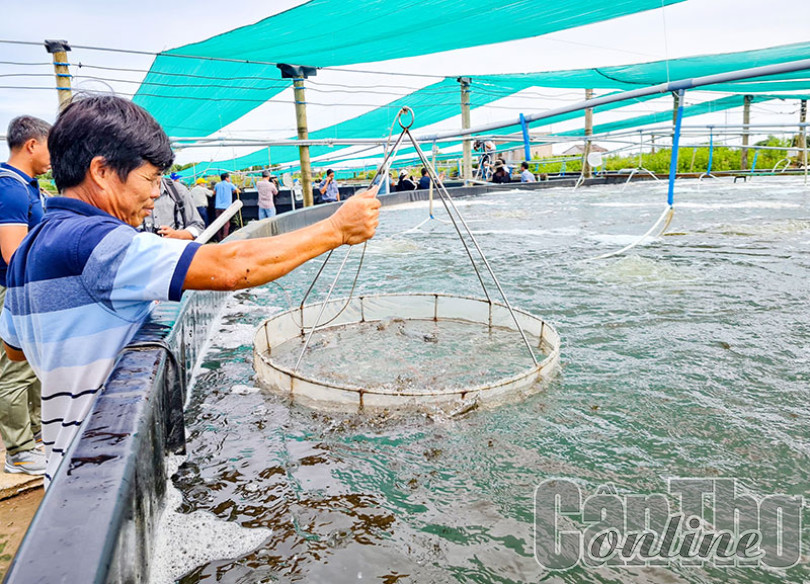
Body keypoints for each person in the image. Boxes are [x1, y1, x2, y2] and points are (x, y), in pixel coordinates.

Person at [0, 95, 381, 484]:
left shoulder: (29, 248)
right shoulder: (94, 241)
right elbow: (230, 268)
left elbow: (14, 350)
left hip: (66, 462)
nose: (155, 192)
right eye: (149, 178)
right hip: (105, 472)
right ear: (101, 171)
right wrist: (336, 230)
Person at [0, 116, 50, 475]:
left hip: (26, 286)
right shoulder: (11, 188)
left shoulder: (29, 186)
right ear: (31, 144)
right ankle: (18, 450)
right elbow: (12, 252)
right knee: (14, 369)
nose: (54, 156)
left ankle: (34, 434)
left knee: (31, 364)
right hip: (12, 287)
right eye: (50, 146)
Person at [214, 173, 239, 240]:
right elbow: (238, 191)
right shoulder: (230, 184)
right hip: (226, 207)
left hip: (218, 207)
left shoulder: (217, 185)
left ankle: (219, 239)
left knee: (218, 224)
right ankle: (225, 238)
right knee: (226, 224)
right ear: (226, 178)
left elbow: (214, 193)